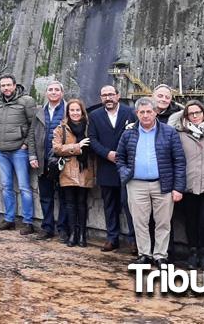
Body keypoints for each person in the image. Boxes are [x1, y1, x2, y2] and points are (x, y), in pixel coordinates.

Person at [117, 97, 186, 267]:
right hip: (136, 184)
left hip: (163, 184)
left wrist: (178, 188)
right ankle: (144, 254)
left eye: (149, 111)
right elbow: (120, 158)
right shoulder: (128, 134)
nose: (146, 115)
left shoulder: (169, 132)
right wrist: (126, 174)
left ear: (155, 112)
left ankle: (160, 255)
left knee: (163, 222)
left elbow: (179, 161)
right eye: (142, 112)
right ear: (137, 113)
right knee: (140, 222)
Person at [168, 100, 204, 268]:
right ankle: (192, 253)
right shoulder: (179, 133)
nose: (194, 116)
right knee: (190, 221)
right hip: (188, 183)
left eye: (198, 112)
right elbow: (174, 156)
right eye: (190, 113)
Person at [89, 85, 138, 253]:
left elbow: (137, 136)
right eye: (104, 95)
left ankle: (134, 240)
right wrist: (107, 153)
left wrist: (123, 155)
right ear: (101, 98)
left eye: (111, 94)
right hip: (106, 165)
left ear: (118, 95)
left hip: (127, 167)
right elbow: (92, 140)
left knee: (129, 205)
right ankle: (112, 238)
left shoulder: (130, 113)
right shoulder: (94, 116)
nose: (108, 98)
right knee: (109, 205)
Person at [0, 74, 38, 235]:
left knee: (24, 187)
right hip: (0, 150)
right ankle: (9, 219)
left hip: (19, 150)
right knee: (6, 186)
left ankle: (28, 222)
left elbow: (34, 125)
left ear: (15, 85)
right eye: (3, 85)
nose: (6, 88)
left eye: (8, 85)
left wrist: (26, 144)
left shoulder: (26, 101)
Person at [51, 99, 96, 247]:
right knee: (69, 204)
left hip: (85, 169)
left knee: (82, 203)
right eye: (72, 110)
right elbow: (56, 148)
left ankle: (82, 235)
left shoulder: (90, 127)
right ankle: (72, 234)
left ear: (82, 112)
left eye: (78, 110)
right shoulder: (61, 128)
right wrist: (77, 147)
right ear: (68, 112)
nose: (75, 113)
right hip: (68, 169)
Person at [31, 80, 68, 240]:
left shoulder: (68, 110)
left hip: (62, 161)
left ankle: (63, 229)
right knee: (45, 196)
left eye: (56, 90)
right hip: (43, 160)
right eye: (50, 90)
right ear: (46, 93)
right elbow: (32, 135)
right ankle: (47, 228)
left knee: (64, 196)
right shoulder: (39, 112)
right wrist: (32, 155)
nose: (53, 92)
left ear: (62, 93)